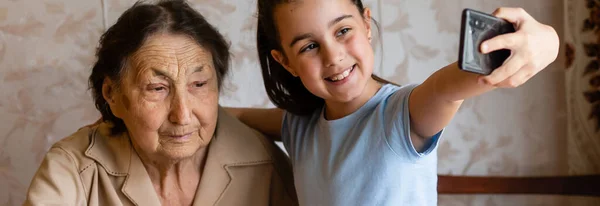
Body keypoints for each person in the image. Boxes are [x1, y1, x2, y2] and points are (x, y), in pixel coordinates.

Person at [225, 0, 559, 205]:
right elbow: (230, 116)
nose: (334, 56)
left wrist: (548, 41)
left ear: (366, 24)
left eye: (342, 31)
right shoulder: (298, 125)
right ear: (285, 62)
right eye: (308, 47)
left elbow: (452, 84)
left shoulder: (403, 115)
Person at [24, 0, 298, 205]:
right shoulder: (73, 167)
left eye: (199, 85)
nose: (182, 115)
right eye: (157, 88)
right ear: (112, 94)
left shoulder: (264, 163)